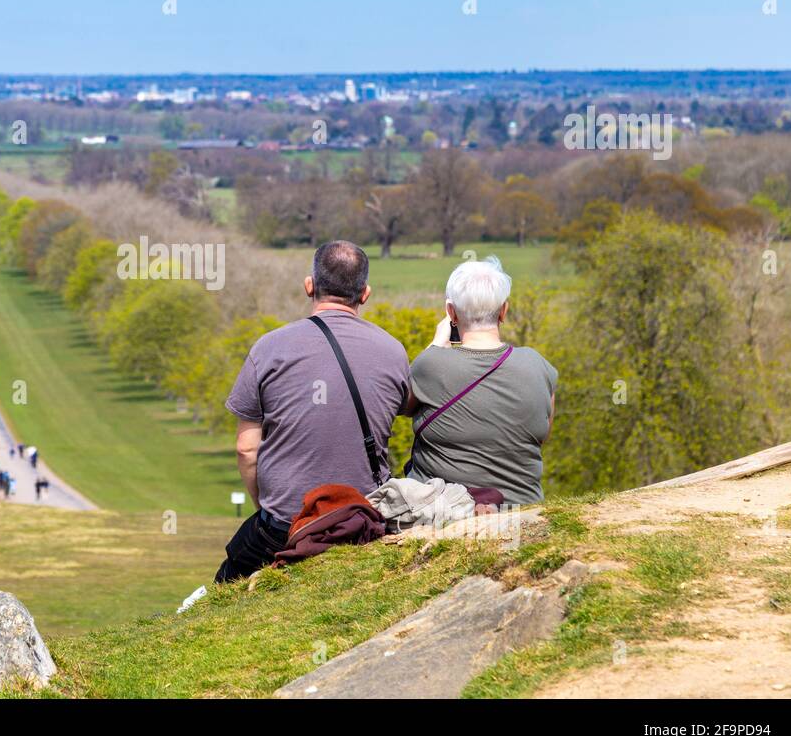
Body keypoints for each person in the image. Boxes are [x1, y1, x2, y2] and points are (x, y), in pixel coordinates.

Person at [216, 240, 411, 583]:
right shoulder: (394, 352)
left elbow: (246, 449)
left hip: (285, 526)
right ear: (365, 294)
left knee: (223, 589)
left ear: (310, 285)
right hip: (359, 521)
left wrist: (267, 507)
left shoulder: (270, 348)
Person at [402, 256, 556, 507]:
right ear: (504, 310)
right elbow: (542, 433)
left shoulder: (430, 365)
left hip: (443, 511)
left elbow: (403, 405)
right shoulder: (538, 365)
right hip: (520, 508)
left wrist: (436, 344)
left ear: (451, 312)